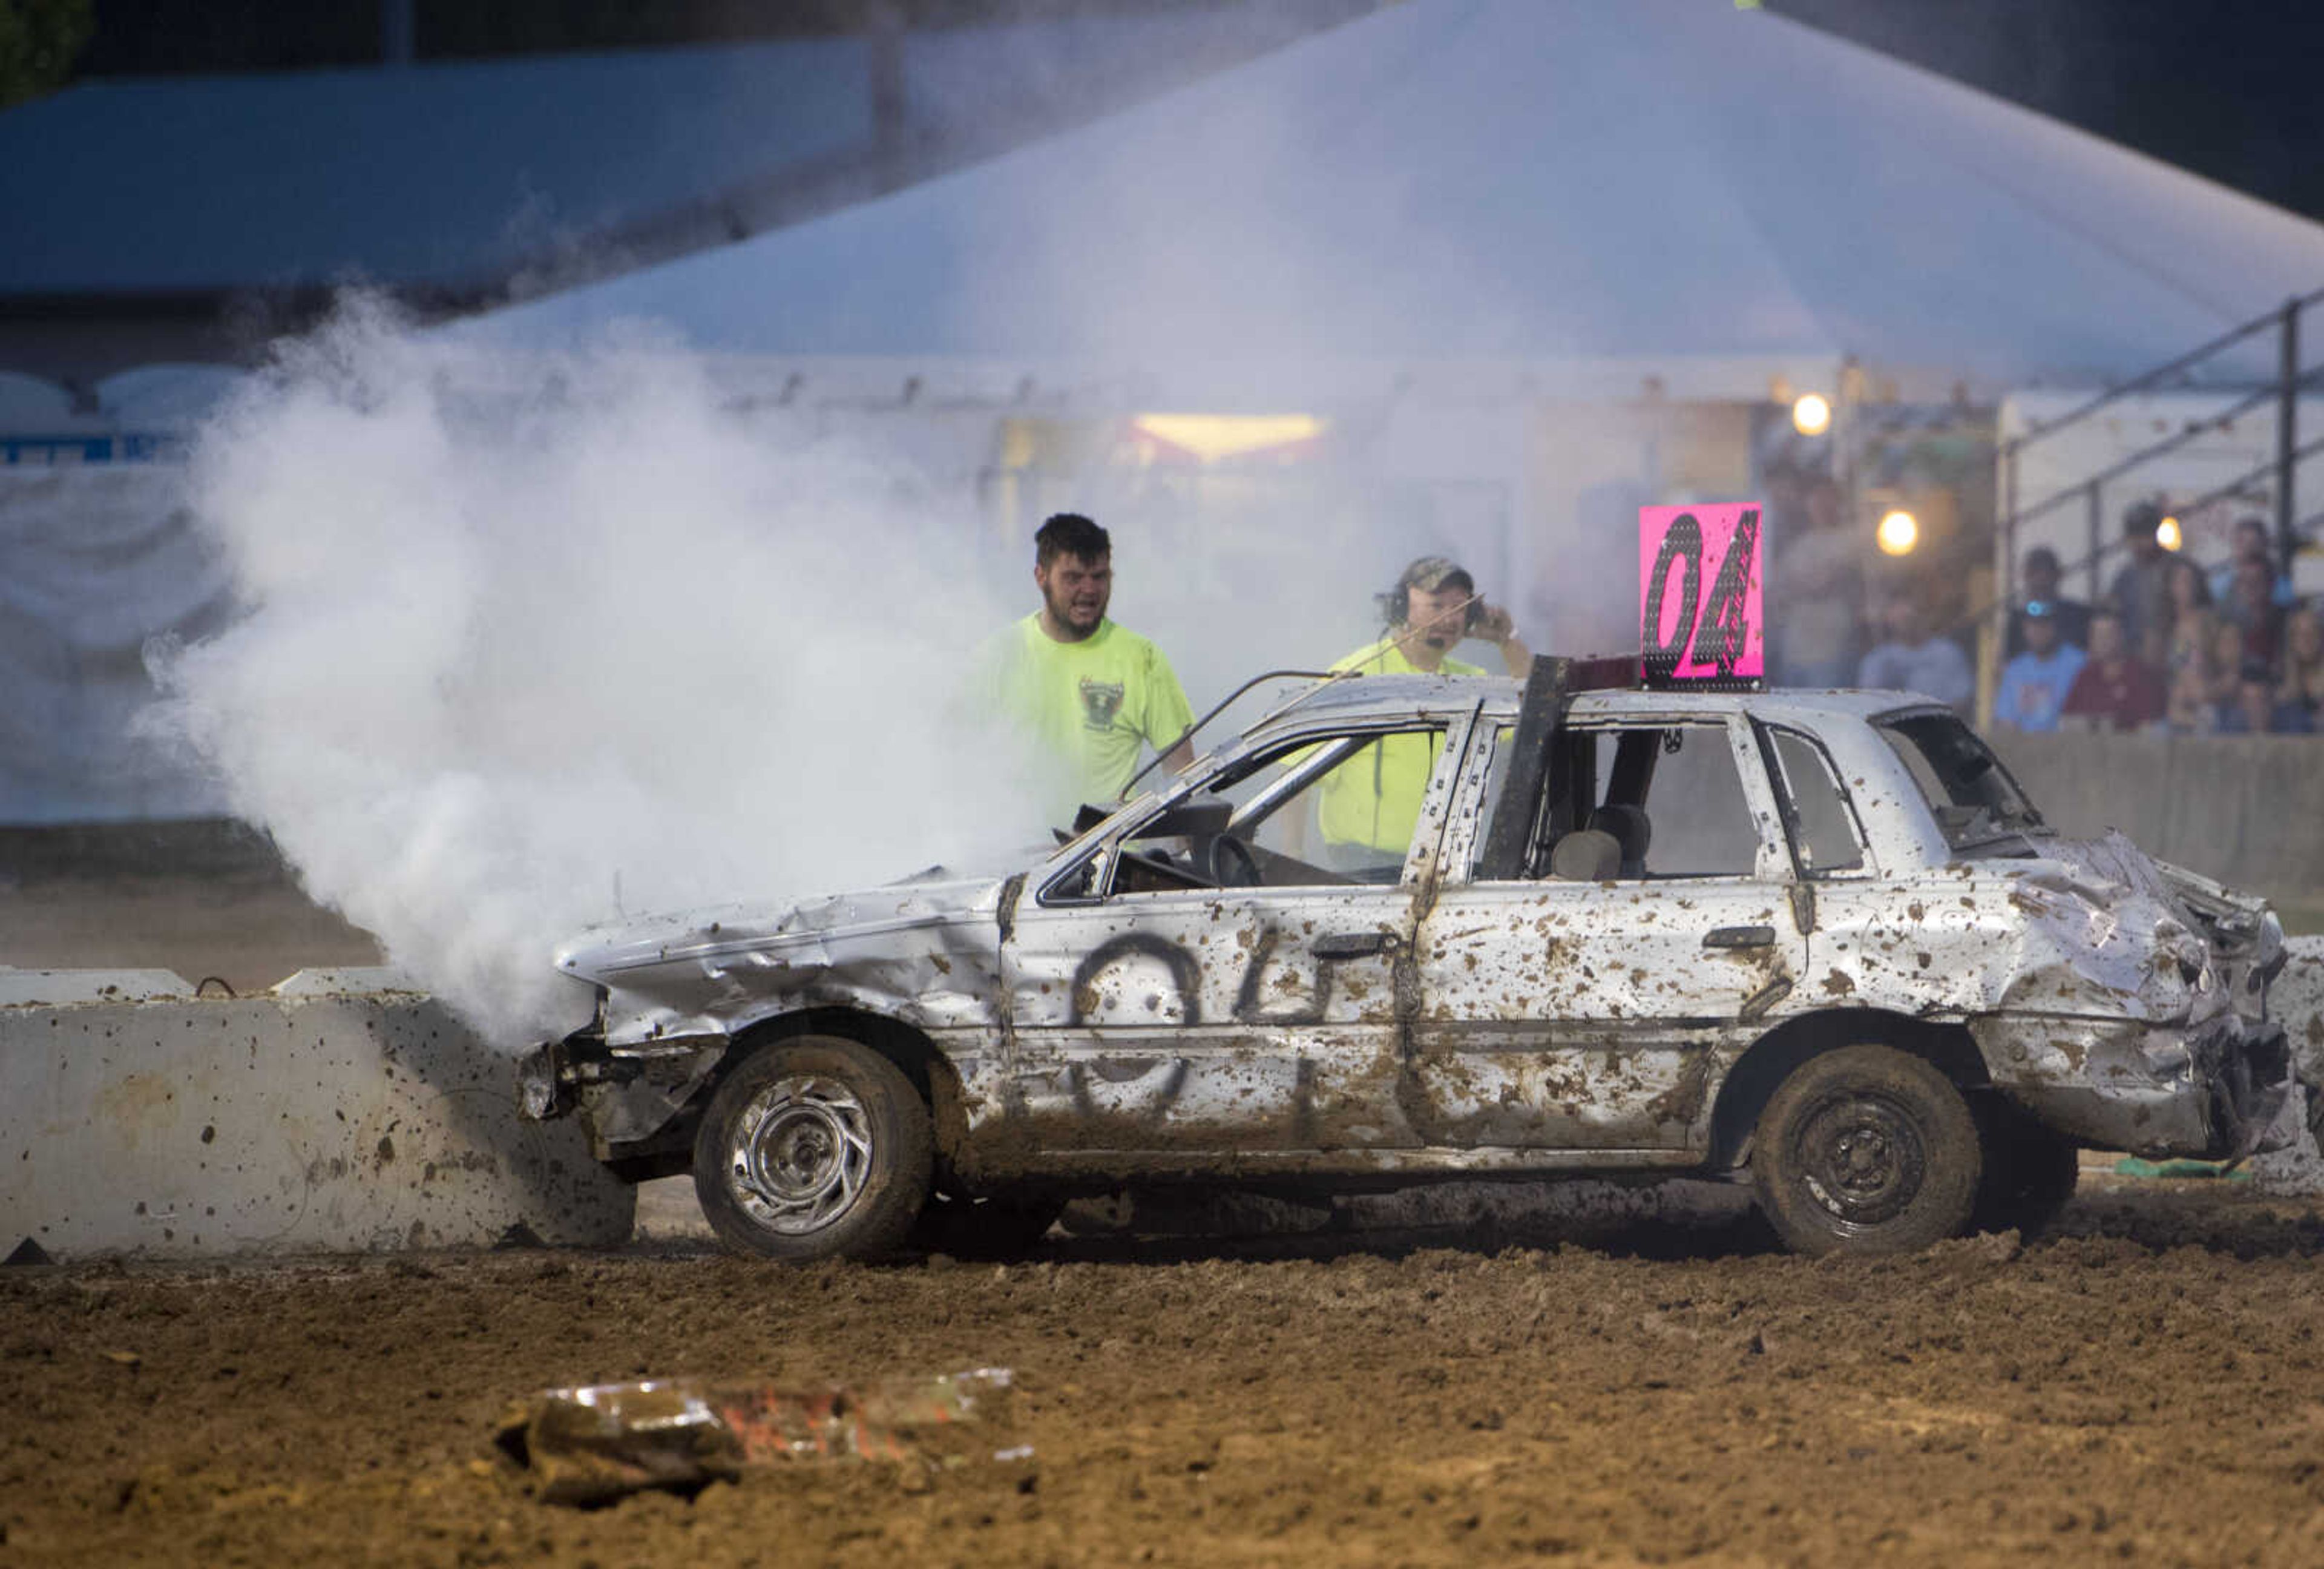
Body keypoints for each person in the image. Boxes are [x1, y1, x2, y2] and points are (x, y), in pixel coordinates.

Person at [1314, 556, 1531, 869]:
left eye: (1459, 607)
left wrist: (1506, 641)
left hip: (1445, 864)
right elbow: (1294, 772)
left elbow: (1532, 714)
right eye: (1437, 604)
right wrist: (1292, 855)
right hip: (1364, 867)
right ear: (1402, 608)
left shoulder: (1469, 681)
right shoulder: (1356, 676)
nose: (1450, 617)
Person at [983, 512, 1195, 822]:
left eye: (1099, 577)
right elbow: (954, 752)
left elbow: (1183, 775)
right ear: (1041, 576)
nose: (1089, 590)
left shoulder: (1143, 659)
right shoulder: (1001, 654)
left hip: (1113, 865)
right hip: (1021, 860)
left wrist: (1186, 857)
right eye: (1073, 578)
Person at [1856, 592, 1973, 710]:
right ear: (1889, 621)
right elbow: (1868, 701)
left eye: (1911, 617)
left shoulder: (1948, 652)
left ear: (1924, 617)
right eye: (1900, 619)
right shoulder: (1879, 659)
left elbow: (1962, 698)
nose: (1907, 624)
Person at [2060, 608, 2166, 732]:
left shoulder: (2141, 675)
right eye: (2097, 635)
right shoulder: (2085, 675)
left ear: (2121, 636)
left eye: (2108, 635)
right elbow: (2066, 720)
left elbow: (2150, 726)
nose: (2103, 641)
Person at [1992, 601, 2086, 733]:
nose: (2039, 632)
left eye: (2044, 625)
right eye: (2033, 626)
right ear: (2025, 629)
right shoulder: (2015, 669)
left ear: (2055, 627)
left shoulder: (2079, 663)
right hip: (2023, 747)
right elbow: (2005, 721)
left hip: (2067, 744)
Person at [2107, 501, 2175, 662]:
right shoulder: (2124, 577)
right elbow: (2113, 617)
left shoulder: (2177, 569)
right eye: (2133, 535)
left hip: (2173, 653)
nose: (2138, 542)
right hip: (2133, 658)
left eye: (2145, 534)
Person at [2004, 546, 2092, 657]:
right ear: (2025, 577)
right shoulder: (2016, 619)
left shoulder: (2078, 614)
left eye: (2046, 573)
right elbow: (2010, 661)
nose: (2040, 580)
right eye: (2033, 574)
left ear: (2058, 576)